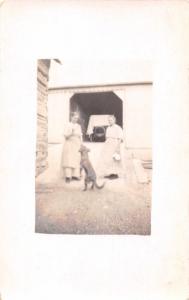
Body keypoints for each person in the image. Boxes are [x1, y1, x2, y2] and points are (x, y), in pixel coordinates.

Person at [98, 115, 124, 179]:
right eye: (109, 120)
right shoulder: (108, 128)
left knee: (114, 158)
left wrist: (117, 147)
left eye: (111, 120)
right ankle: (110, 173)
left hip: (115, 144)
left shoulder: (118, 128)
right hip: (108, 145)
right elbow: (106, 137)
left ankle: (115, 174)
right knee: (108, 159)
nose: (110, 121)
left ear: (114, 120)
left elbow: (120, 138)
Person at [61, 112, 82, 183]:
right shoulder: (67, 125)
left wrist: (81, 144)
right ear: (71, 117)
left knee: (76, 159)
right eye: (74, 118)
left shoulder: (78, 126)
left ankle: (75, 175)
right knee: (69, 159)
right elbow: (65, 136)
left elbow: (80, 136)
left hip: (77, 144)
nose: (76, 119)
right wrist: (71, 133)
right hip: (69, 144)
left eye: (77, 118)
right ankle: (68, 176)